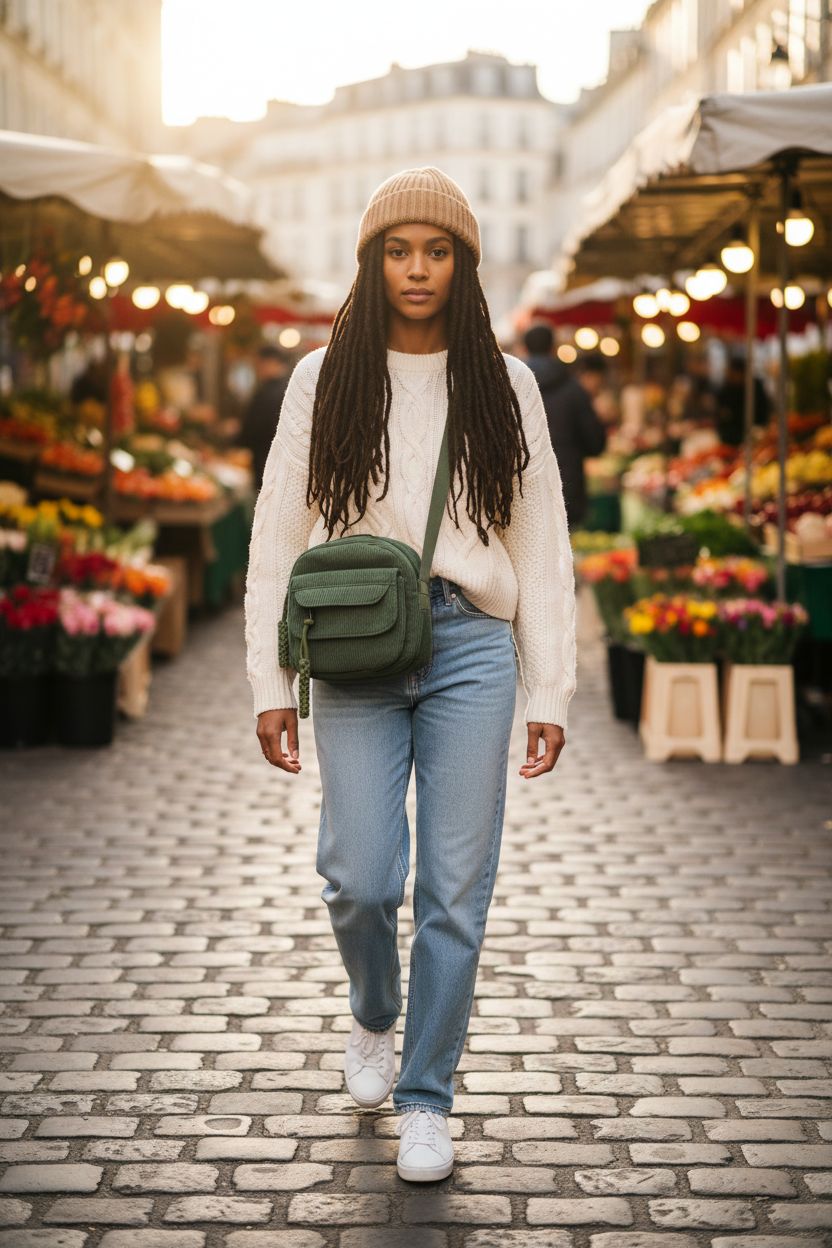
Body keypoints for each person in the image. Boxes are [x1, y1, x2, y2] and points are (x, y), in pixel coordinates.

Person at [244, 167, 576, 1183]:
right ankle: (373, 1015)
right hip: (354, 648)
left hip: (471, 641)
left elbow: (540, 539)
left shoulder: (505, 384)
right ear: (372, 261)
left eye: (436, 251)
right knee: (359, 874)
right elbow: (276, 532)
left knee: (454, 892)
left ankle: (427, 1095)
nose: (418, 268)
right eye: (399, 250)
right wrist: (268, 679)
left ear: (462, 264)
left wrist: (548, 689)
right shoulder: (322, 378)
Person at [522, 324, 607, 528]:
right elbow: (595, 443)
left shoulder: (511, 386)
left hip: (523, 487)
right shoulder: (574, 389)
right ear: (554, 347)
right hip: (568, 485)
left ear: (524, 349)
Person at [237, 344, 290, 490]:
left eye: (258, 364)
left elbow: (254, 428)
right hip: (280, 465)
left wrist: (235, 439)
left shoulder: (269, 393)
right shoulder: (289, 387)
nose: (257, 369)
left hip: (265, 461)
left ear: (271, 362)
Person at [714, 353, 771, 447]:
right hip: (729, 438)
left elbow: (763, 413)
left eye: (733, 373)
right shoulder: (727, 388)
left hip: (753, 437)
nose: (730, 376)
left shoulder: (755, 388)